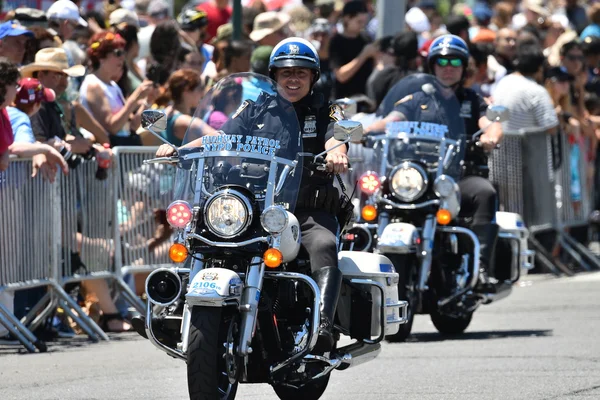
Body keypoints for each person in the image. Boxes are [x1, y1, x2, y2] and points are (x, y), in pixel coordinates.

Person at [155, 37, 349, 353]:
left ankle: (323, 328)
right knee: (204, 238)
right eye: (286, 73)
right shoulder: (257, 108)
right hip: (258, 208)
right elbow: (219, 137)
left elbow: (337, 139)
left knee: (324, 245)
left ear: (313, 77)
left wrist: (338, 152)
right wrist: (180, 150)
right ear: (275, 76)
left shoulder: (326, 110)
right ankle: (178, 310)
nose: (294, 79)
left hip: (307, 210)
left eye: (301, 72)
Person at [367, 35, 504, 291]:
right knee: (374, 195)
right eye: (441, 61)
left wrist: (490, 136)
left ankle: (482, 267)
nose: (448, 66)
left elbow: (491, 123)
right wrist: (365, 131)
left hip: (456, 177)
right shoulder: (417, 99)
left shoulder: (471, 100)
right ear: (432, 65)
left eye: (454, 61)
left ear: (464, 67)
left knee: (485, 192)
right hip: (415, 176)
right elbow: (390, 120)